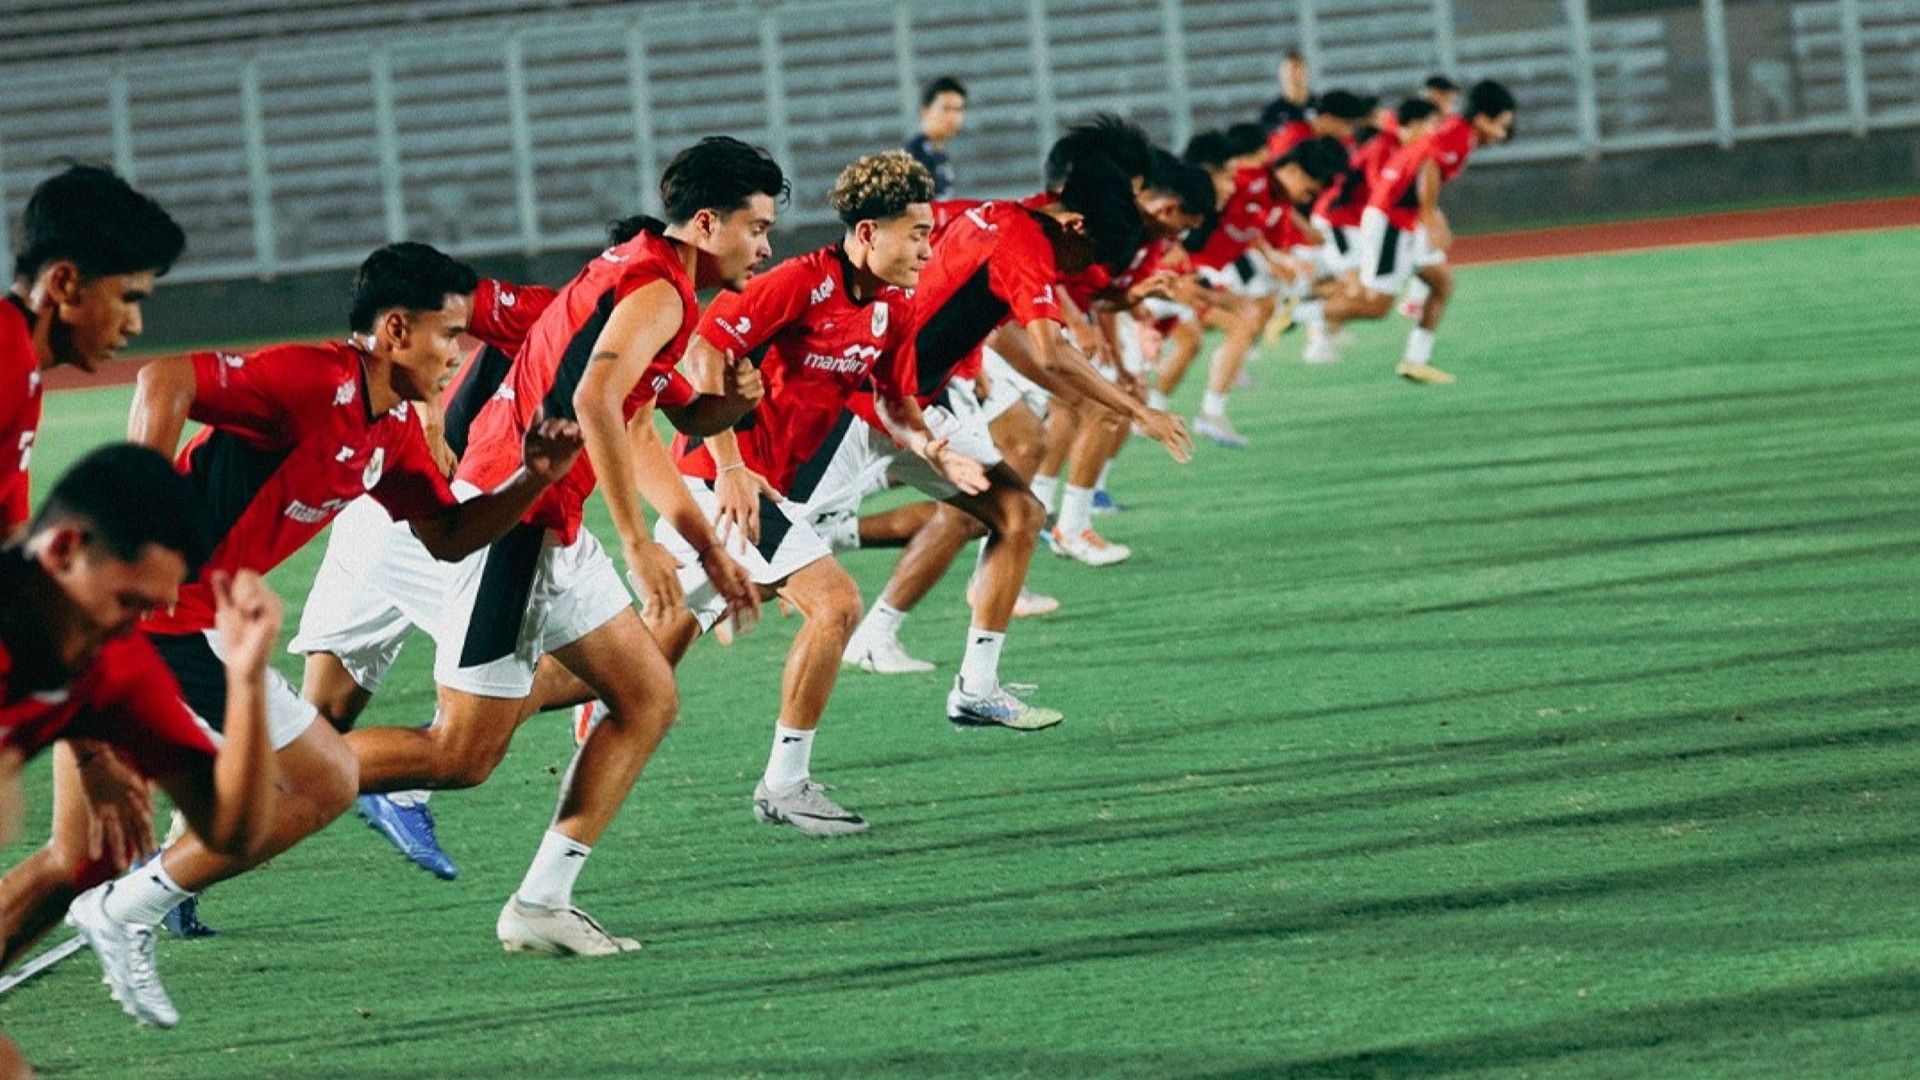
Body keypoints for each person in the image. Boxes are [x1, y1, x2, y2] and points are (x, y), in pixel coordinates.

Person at [65, 242, 584, 1028]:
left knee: (323, 782)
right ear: (397, 331)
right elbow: (163, 377)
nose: (459, 355)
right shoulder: (313, 379)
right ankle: (123, 906)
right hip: (160, 626)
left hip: (202, 632)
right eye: (451, 335)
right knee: (290, 791)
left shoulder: (394, 433)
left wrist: (532, 478)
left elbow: (447, 535)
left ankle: (125, 903)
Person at [342, 137, 780, 957]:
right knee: (460, 755)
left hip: (550, 526)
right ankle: (250, 775)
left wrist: (707, 533)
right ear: (709, 222)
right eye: (757, 228)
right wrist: (639, 544)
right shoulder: (658, 291)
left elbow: (654, 419)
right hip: (519, 527)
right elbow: (596, 397)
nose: (766, 246)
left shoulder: (645, 272)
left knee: (646, 698)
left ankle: (542, 902)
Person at [293, 243, 764, 881]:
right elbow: (422, 295)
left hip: (469, 521)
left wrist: (731, 419)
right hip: (444, 522)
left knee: (619, 683)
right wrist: (430, 415)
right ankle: (184, 851)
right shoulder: (557, 311)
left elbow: (657, 416)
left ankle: (526, 883)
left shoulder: (632, 335)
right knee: (381, 741)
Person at [623, 151, 985, 830]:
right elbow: (706, 352)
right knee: (835, 603)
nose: (927, 249)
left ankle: (537, 711)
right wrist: (730, 464)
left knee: (644, 660)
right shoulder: (800, 281)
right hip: (720, 483)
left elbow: (897, 401)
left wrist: (935, 447)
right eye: (916, 234)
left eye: (931, 235)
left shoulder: (892, 307)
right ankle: (784, 786)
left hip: (762, 492)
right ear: (868, 233)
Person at [0, 446, 286, 1050]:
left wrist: (246, 679)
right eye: (128, 601)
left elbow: (232, 829)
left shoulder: (116, 664)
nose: (135, 628)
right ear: (63, 551)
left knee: (85, 857)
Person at [2, 165, 185, 538]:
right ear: (64, 282)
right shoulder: (7, 360)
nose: (135, 325)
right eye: (127, 298)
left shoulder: (20, 367)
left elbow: (11, 541)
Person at [1320, 79, 1517, 383]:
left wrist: (1429, 215)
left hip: (1401, 219)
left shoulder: (1455, 129)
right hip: (1391, 220)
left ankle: (1415, 361)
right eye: (1501, 126)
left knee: (1441, 285)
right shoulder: (1460, 137)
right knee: (1376, 306)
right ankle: (1304, 311)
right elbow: (1428, 166)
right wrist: (1429, 215)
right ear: (1482, 119)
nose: (1502, 135)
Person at [905, 76, 967, 199]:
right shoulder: (914, 159)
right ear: (925, 111)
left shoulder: (939, 155)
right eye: (946, 109)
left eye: (958, 109)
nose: (953, 117)